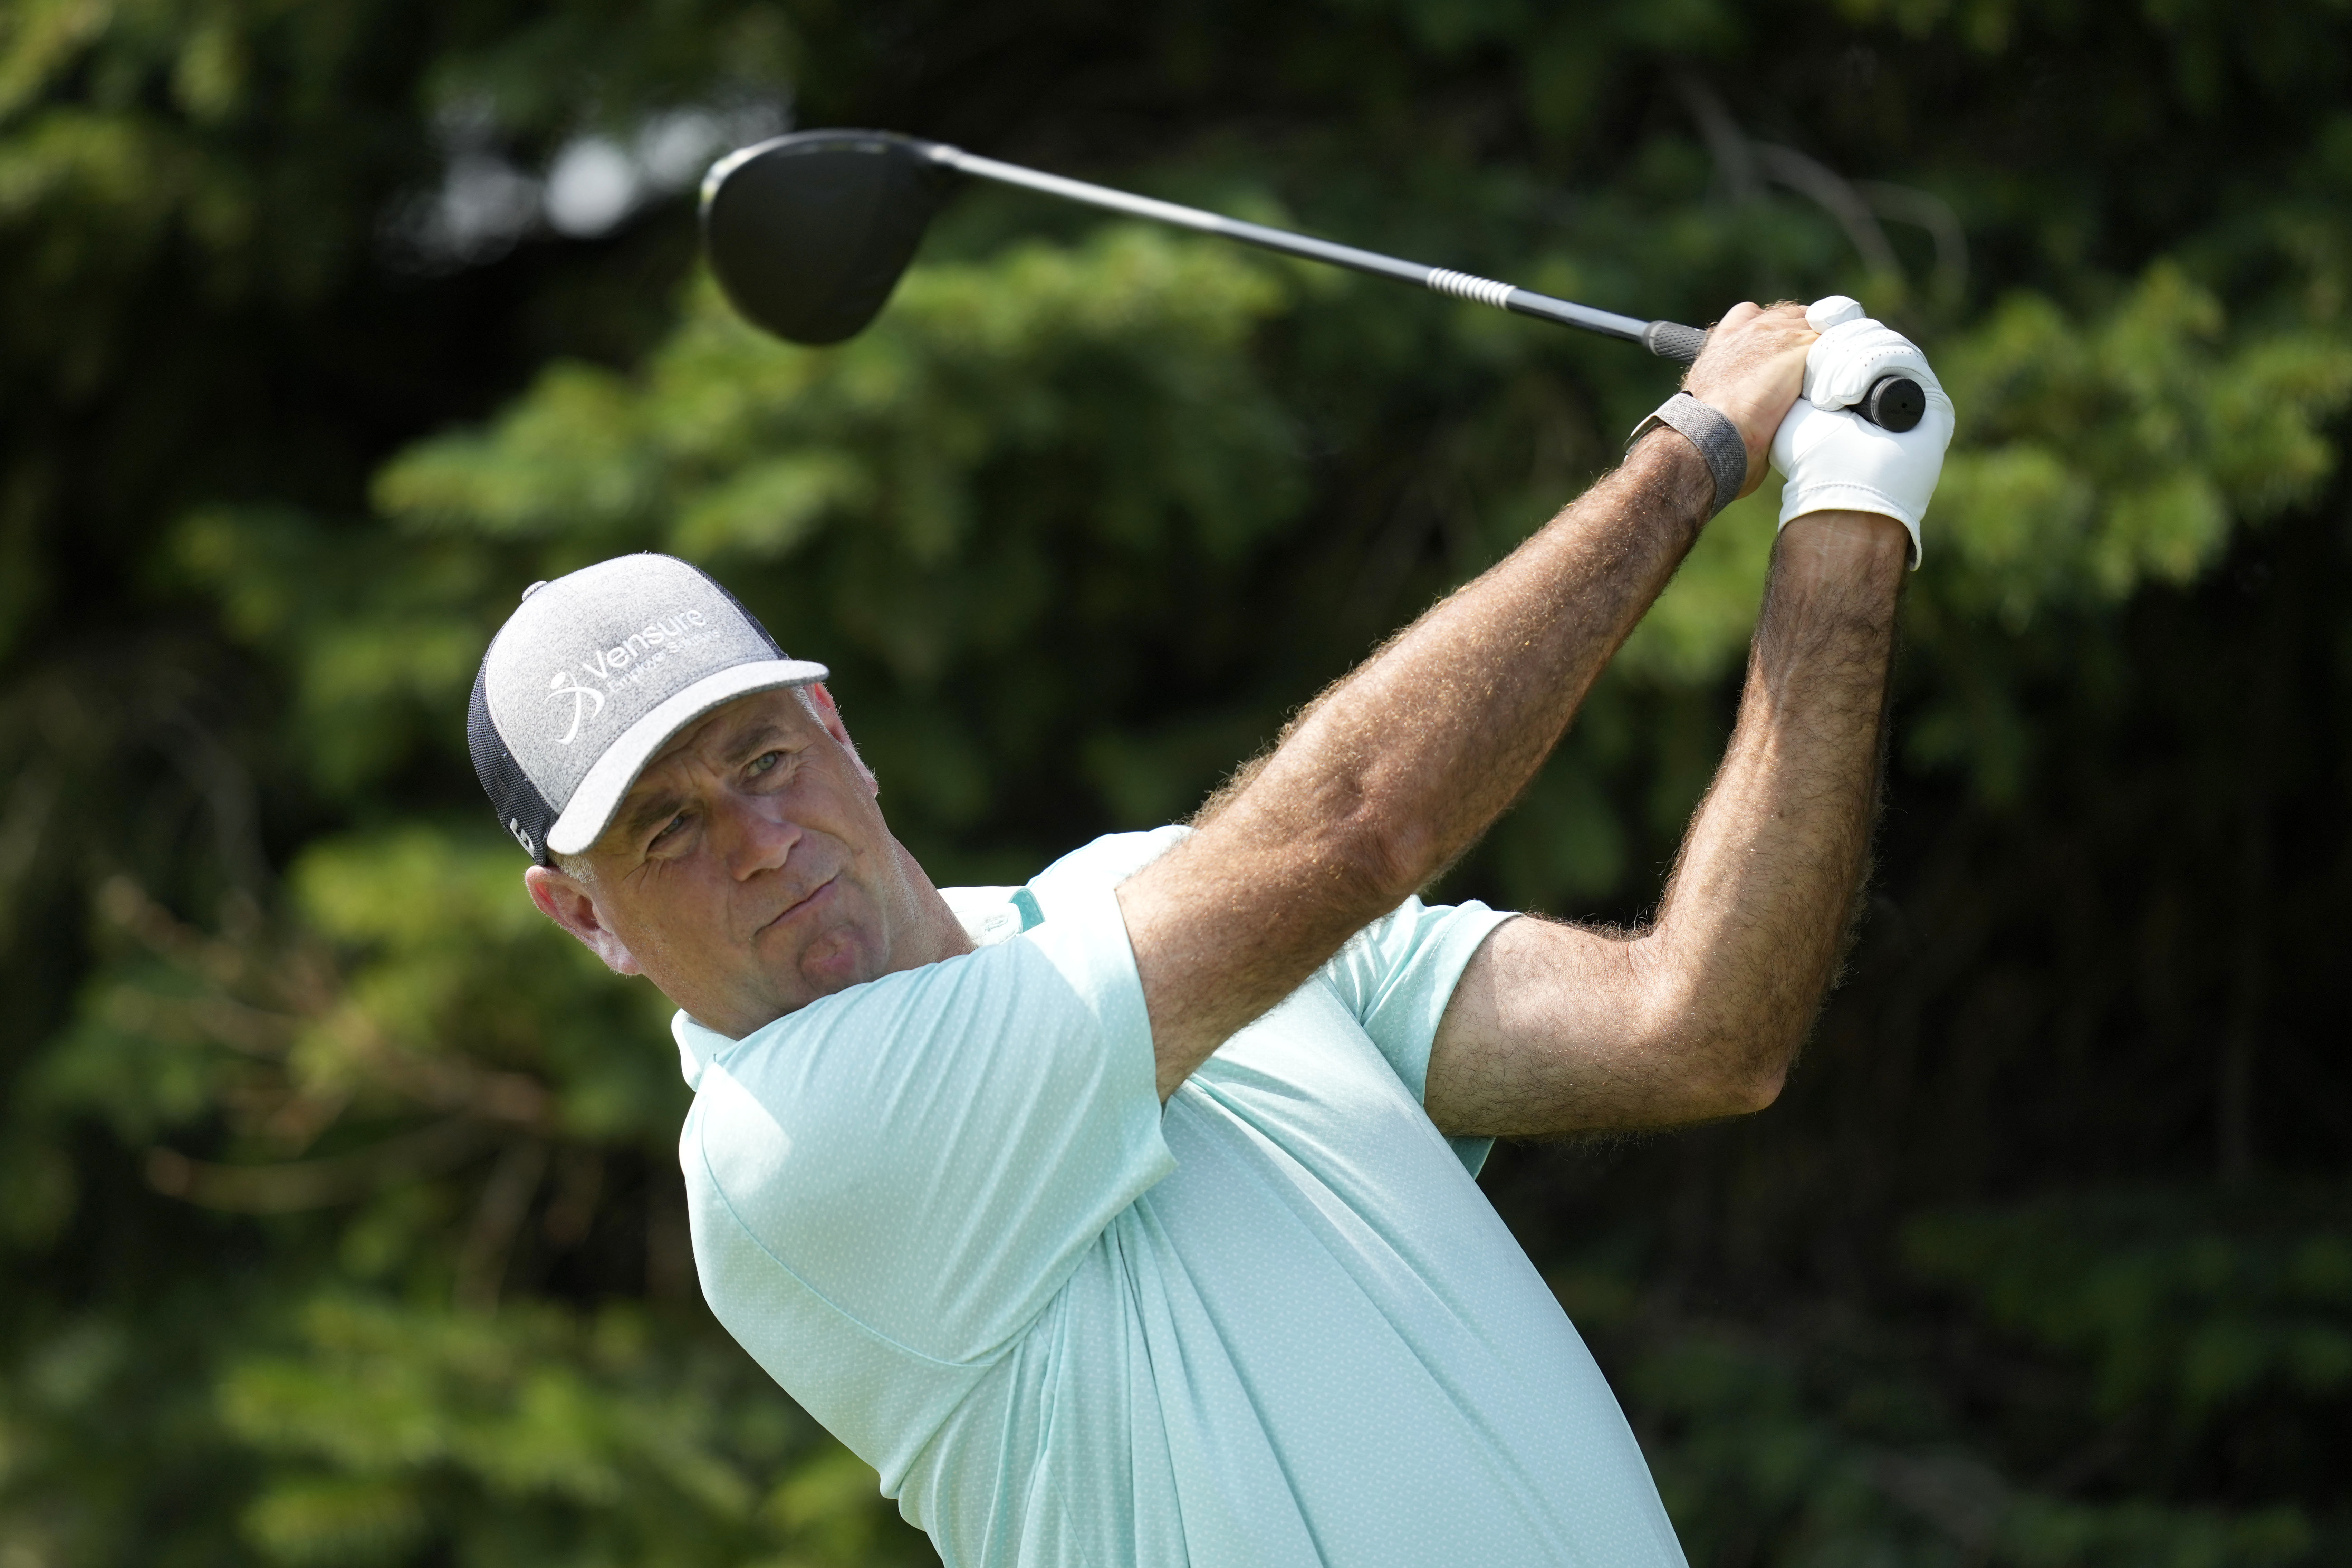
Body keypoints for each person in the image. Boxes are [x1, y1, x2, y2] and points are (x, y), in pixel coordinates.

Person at [467, 296, 1953, 1567]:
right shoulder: (782, 1151)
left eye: (761, 759)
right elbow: (1354, 825)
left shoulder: (1156, 897)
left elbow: (1691, 1026)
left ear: (838, 733)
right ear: (581, 915)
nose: (757, 840)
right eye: (665, 828)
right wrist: (1691, 451)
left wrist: (1847, 516)